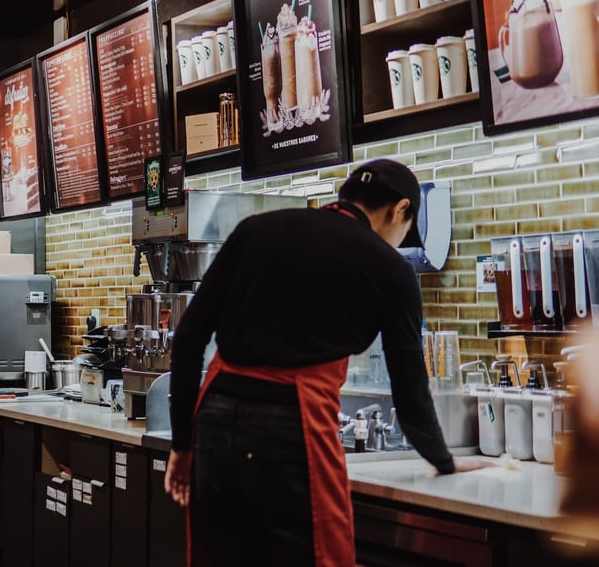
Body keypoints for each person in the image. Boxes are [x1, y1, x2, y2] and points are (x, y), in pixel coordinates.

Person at [164, 159, 493, 567]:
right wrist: (443, 460)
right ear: (400, 210)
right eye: (407, 228)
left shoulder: (257, 229)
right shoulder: (390, 268)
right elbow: (409, 394)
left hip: (214, 423)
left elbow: (190, 336)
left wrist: (183, 444)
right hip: (290, 427)